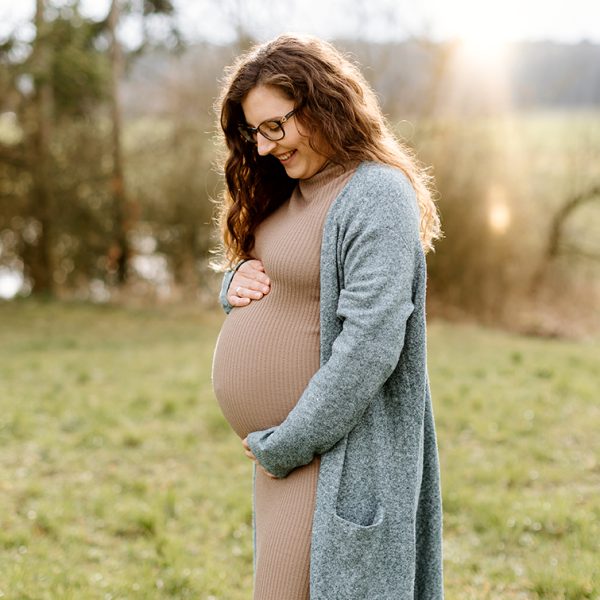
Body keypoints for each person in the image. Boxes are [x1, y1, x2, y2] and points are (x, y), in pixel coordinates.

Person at [211, 33, 444, 600]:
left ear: (323, 106)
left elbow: (370, 345)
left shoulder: (376, 196)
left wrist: (290, 441)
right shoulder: (291, 188)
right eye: (254, 132)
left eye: (275, 126)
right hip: (286, 460)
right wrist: (232, 281)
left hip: (331, 461)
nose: (264, 147)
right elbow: (274, 275)